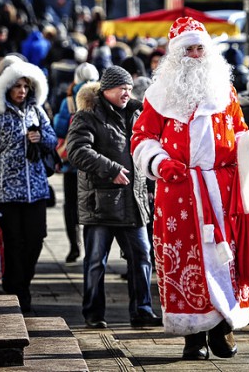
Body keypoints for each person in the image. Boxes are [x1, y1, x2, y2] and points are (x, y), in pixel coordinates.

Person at [131, 17, 249, 360]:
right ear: (176, 56)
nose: (196, 54)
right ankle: (192, 336)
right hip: (180, 188)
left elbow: (238, 130)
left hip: (223, 187)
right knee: (186, 260)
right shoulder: (158, 97)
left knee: (229, 259)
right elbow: (141, 138)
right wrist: (159, 162)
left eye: (200, 48)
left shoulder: (225, 91)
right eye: (189, 49)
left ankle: (222, 327)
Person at [66, 65, 162, 330]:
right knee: (97, 261)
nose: (126, 93)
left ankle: (142, 310)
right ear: (106, 89)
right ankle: (93, 312)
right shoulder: (87, 116)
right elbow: (76, 151)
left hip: (133, 201)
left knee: (142, 256)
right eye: (122, 88)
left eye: (129, 88)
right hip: (100, 203)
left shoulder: (137, 113)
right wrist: (110, 169)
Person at [0, 60, 57, 312]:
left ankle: (21, 282)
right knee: (12, 242)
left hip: (36, 189)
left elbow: (53, 139)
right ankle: (17, 290)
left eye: (26, 86)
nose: (22, 91)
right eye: (17, 86)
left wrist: (41, 137)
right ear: (7, 88)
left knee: (36, 239)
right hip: (6, 191)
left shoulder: (37, 111)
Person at [53, 62, 100, 264]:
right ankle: (92, 247)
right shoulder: (101, 95)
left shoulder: (69, 100)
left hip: (72, 162)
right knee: (93, 206)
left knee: (71, 205)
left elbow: (60, 129)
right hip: (94, 161)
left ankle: (74, 245)